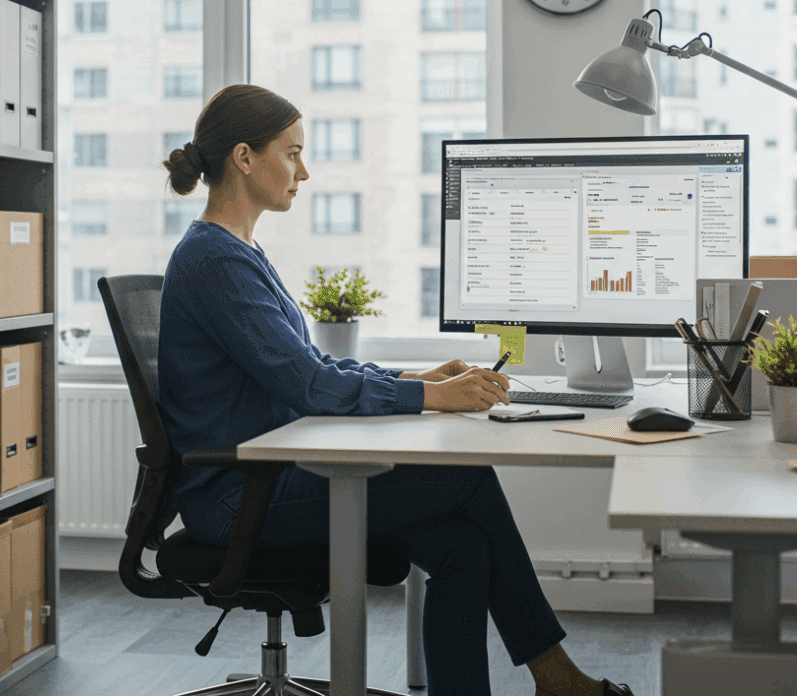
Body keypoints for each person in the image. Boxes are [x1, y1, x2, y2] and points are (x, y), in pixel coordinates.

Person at [158, 84, 634, 696]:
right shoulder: (213, 261)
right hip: (238, 496)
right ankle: (557, 676)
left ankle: (540, 680)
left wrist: (414, 379)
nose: (305, 170)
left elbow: (308, 364)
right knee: (467, 478)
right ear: (245, 158)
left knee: (462, 548)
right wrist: (438, 398)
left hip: (273, 475)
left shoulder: (240, 250)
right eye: (293, 152)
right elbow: (308, 384)